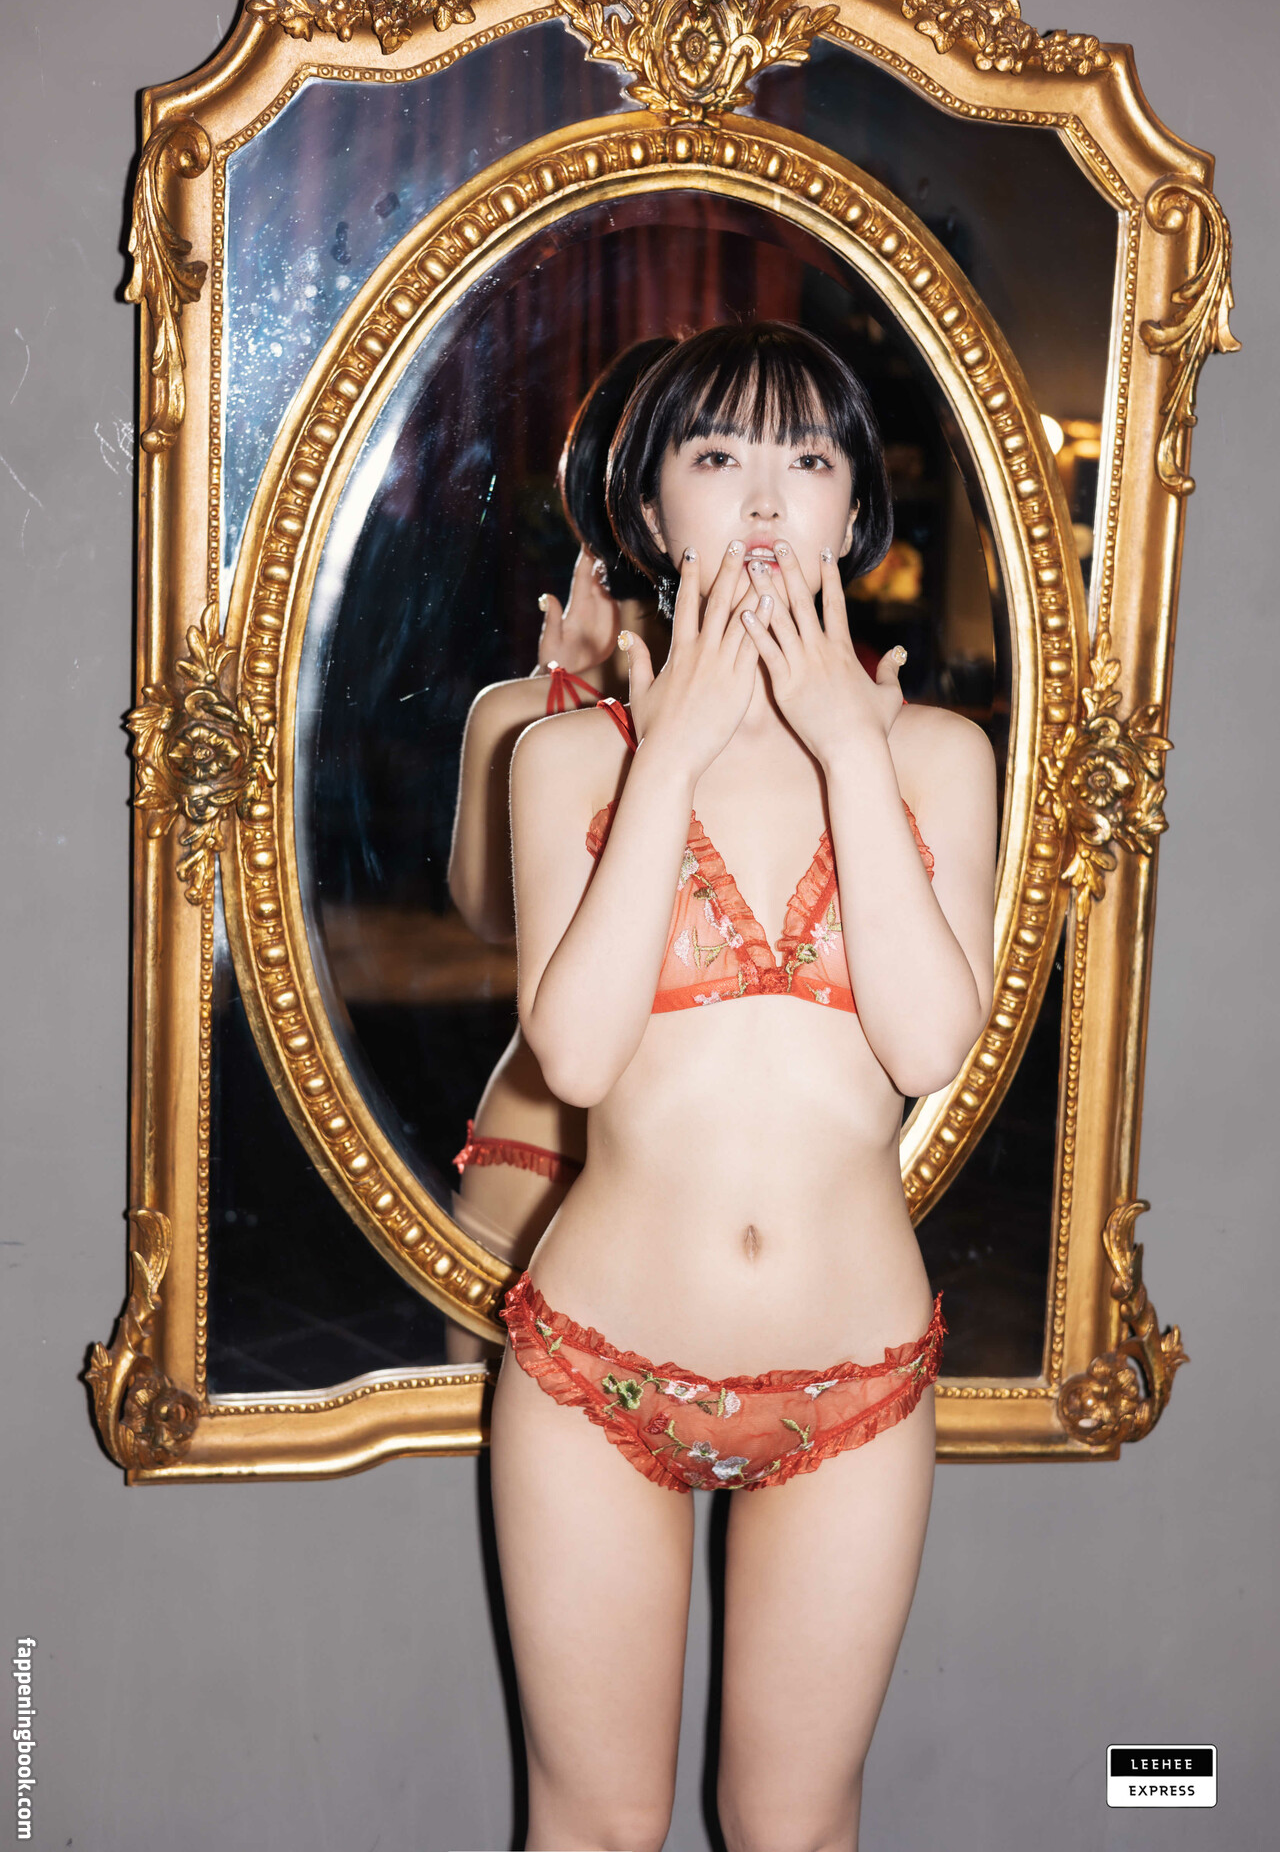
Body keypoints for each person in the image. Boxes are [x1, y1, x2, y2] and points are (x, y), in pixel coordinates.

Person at [488, 321, 998, 1851]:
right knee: (596, 1827)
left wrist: (850, 749)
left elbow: (929, 1048)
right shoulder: (567, 762)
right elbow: (577, 1057)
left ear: (855, 510)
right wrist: (671, 753)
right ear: (652, 509)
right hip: (599, 1376)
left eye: (809, 456)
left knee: (797, 1827)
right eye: (718, 455)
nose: (767, 495)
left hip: (857, 1382)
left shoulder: (939, 759)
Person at [444, 340, 673, 1363]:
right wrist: (559, 712)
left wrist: (556, 706)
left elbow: (487, 916)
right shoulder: (521, 717)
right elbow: (494, 920)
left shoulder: (520, 714)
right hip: (568, 1146)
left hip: (596, 1151)